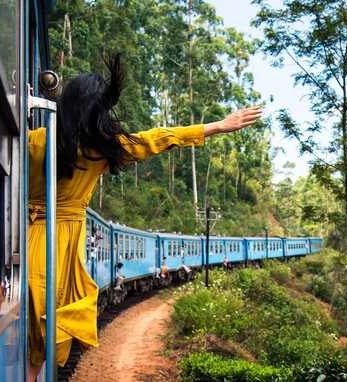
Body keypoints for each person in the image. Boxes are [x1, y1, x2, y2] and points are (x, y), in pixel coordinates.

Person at [26, 54, 262, 381]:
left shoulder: (33, 142)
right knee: (45, 331)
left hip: (23, 237)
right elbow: (158, 138)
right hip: (61, 247)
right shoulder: (101, 151)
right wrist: (217, 127)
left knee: (27, 328)